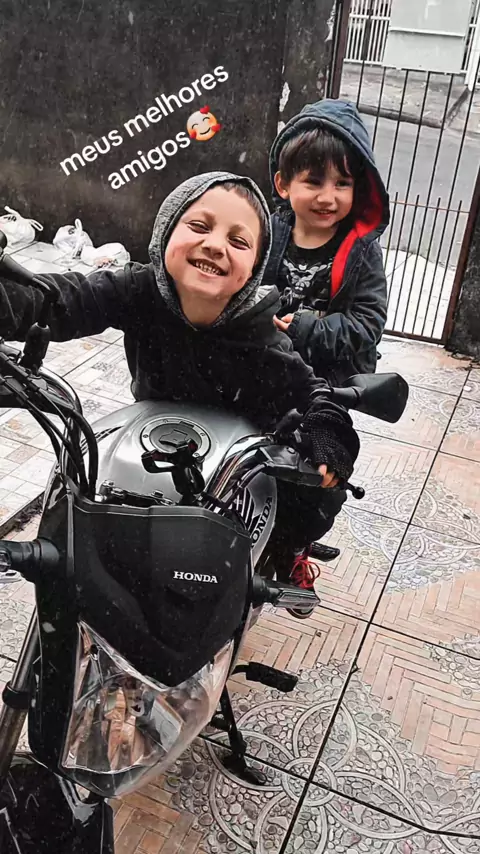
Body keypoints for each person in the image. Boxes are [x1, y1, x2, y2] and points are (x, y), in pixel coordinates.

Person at [0, 171, 359, 618]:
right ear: (165, 232)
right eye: (199, 226)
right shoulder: (137, 289)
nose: (215, 245)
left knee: (317, 494)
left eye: (239, 241)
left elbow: (312, 392)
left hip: (241, 459)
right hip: (161, 434)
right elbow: (61, 300)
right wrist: (10, 303)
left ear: (254, 268)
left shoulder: (261, 333)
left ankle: (289, 552)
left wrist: (326, 430)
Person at [262, 99, 390, 569]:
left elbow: (367, 323)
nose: (327, 197)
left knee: (321, 476)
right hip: (267, 370)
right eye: (313, 181)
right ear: (284, 183)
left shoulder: (360, 252)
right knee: (253, 460)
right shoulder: (266, 233)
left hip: (328, 385)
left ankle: (295, 546)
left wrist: (305, 328)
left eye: (342, 183)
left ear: (360, 188)